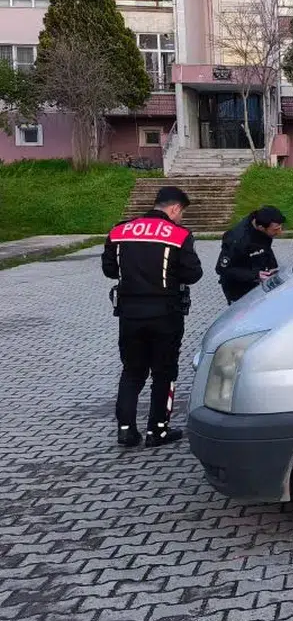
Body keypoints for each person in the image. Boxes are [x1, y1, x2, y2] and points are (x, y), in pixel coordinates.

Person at [102, 185, 203, 448]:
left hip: (129, 314)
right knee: (164, 372)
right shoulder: (179, 235)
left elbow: (109, 269)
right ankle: (157, 430)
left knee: (132, 371)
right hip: (165, 314)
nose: (180, 217)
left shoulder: (119, 231)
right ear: (175, 208)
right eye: (181, 212)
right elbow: (193, 274)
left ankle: (126, 430)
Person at [216, 205, 285, 304]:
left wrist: (273, 267)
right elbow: (222, 269)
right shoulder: (237, 240)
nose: (280, 232)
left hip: (260, 284)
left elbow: (266, 249)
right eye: (276, 230)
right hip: (239, 291)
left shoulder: (261, 223)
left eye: (280, 227)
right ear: (261, 227)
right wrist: (255, 275)